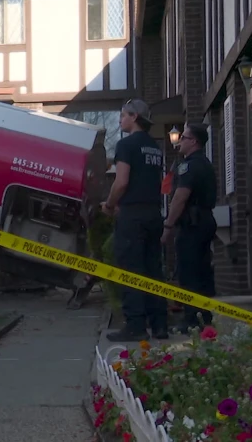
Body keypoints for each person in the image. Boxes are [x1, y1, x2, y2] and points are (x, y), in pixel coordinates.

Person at [102, 99, 168, 342]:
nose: (120, 120)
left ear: (134, 117)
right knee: (153, 269)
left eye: (123, 115)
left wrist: (109, 205)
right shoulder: (154, 147)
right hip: (153, 213)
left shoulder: (126, 145)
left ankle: (136, 325)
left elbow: (121, 182)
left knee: (130, 269)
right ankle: (160, 324)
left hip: (132, 215)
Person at [161, 123, 217, 334]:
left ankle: (191, 319)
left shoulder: (189, 166)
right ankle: (205, 317)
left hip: (192, 224)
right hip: (204, 221)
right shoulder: (205, 163)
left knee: (189, 272)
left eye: (183, 137)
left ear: (193, 141)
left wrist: (168, 225)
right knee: (202, 271)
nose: (180, 141)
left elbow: (180, 198)